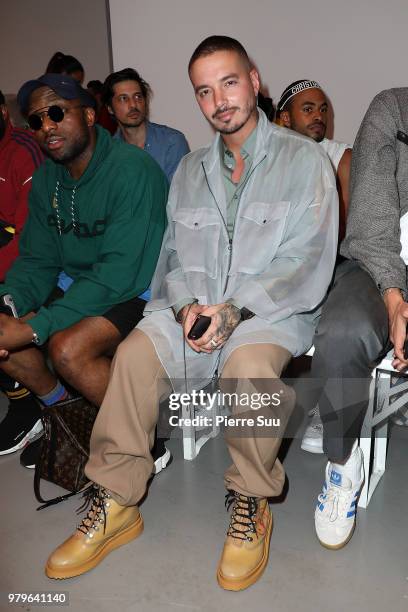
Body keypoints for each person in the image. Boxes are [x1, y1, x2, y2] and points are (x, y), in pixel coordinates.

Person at [45, 36, 338, 590]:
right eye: (204, 91)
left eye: (229, 83)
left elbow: (307, 260)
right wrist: (182, 307)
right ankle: (116, 499)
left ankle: (251, 501)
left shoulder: (305, 162)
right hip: (194, 308)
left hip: (271, 311)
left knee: (248, 369)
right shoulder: (190, 171)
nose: (219, 100)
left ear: (254, 81)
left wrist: (234, 311)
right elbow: (174, 255)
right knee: (133, 355)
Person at [0, 74, 167, 470]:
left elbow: (120, 273)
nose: (46, 127)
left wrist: (39, 324)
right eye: (36, 120)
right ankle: (72, 416)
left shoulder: (132, 170)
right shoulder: (47, 179)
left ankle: (146, 439)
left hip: (137, 288)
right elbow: (37, 260)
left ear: (90, 115)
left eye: (56, 113)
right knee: (6, 333)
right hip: (78, 284)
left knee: (67, 348)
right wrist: (11, 303)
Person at [305, 88, 408, 550]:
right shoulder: (393, 109)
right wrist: (394, 297)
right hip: (378, 262)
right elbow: (368, 216)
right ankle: (343, 464)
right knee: (343, 331)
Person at [277, 79, 352, 453]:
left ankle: (327, 408)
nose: (319, 116)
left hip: (333, 262)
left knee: (339, 315)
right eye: (308, 108)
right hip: (278, 263)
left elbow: (343, 231)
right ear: (285, 119)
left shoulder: (342, 156)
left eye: (323, 109)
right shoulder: (271, 159)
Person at [0, 89, 45, 457]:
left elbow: (27, 235)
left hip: (23, 267)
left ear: (3, 113)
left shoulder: (23, 152)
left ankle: (29, 407)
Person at [102, 68, 190, 183]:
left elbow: (179, 196)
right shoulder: (108, 153)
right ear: (110, 108)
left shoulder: (172, 142)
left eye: (138, 96)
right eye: (123, 99)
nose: (133, 104)